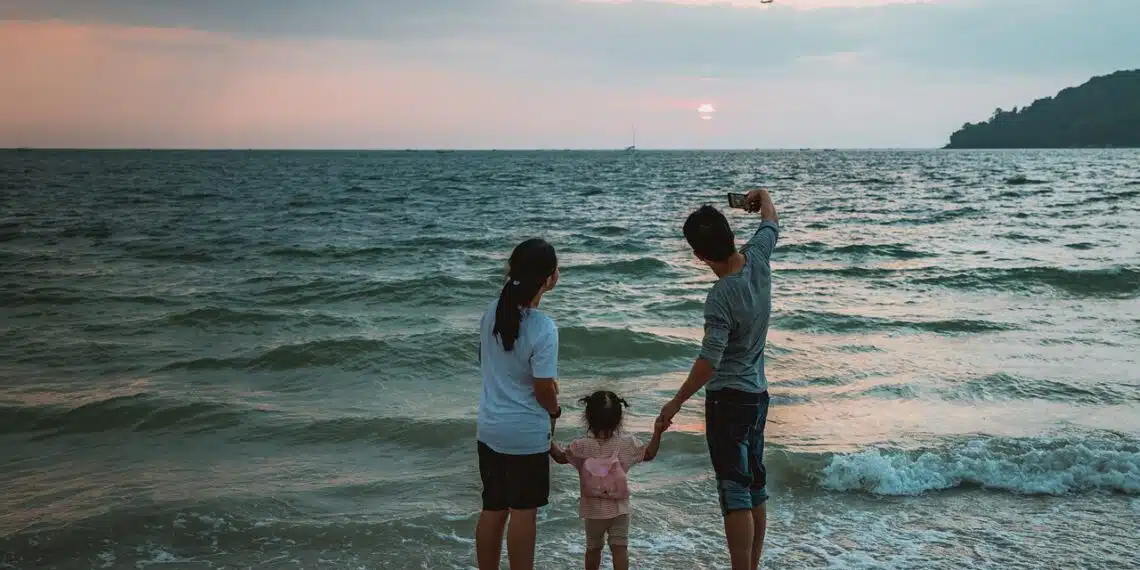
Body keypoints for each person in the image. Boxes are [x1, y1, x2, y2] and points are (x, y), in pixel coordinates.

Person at [657, 189, 779, 570]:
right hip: (758, 396)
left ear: (698, 255)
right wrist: (760, 197)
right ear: (729, 234)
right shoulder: (758, 258)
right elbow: (771, 223)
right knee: (755, 487)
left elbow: (710, 361)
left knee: (734, 492)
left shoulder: (720, 296)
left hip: (728, 400)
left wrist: (674, 403)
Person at [475, 238, 563, 570]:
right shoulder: (544, 327)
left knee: (493, 510)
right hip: (525, 435)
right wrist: (555, 409)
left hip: (490, 428)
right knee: (524, 513)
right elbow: (543, 390)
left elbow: (487, 363)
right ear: (548, 278)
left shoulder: (490, 314)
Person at [549, 391, 665, 570]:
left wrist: (546, 435)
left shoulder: (580, 447)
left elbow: (559, 456)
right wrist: (657, 431)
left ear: (588, 417)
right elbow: (649, 454)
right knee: (620, 549)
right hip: (619, 510)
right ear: (619, 419)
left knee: (593, 550)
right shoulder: (627, 444)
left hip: (593, 512)